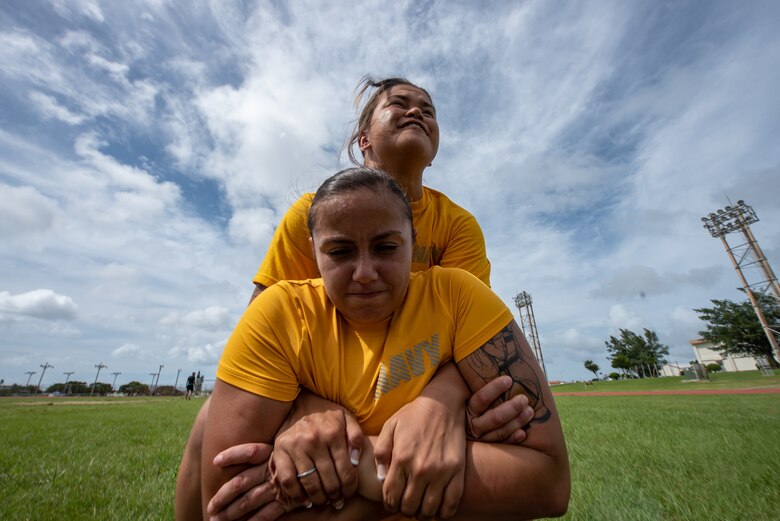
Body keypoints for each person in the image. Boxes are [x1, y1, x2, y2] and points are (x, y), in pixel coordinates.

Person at [175, 77, 522, 519]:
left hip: (416, 383)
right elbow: (264, 330)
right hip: (327, 388)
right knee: (210, 421)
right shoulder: (315, 215)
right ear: (363, 141)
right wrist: (305, 409)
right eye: (399, 104)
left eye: (428, 109)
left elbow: (472, 341)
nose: (417, 111)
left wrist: (440, 405)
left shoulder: (457, 225)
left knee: (504, 420)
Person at [201, 168, 569, 520]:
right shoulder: (279, 315)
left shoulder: (457, 297)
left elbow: (549, 484)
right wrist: (425, 468)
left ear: (413, 241)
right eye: (340, 252)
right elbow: (226, 502)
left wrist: (356, 470)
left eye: (386, 247)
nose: (364, 273)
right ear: (313, 251)